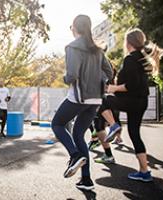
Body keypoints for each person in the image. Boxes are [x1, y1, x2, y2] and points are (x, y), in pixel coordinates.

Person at [51, 15, 113, 191]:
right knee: (78, 134)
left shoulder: (72, 47)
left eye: (71, 26)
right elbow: (109, 72)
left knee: (57, 124)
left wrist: (64, 77)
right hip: (95, 100)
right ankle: (86, 180)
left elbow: (72, 76)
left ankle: (75, 155)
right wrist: (100, 84)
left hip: (79, 97)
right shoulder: (98, 50)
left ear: (75, 28)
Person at [100, 28, 163, 182]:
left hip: (132, 100)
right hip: (141, 101)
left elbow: (130, 85)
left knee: (101, 101)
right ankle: (144, 171)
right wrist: (117, 84)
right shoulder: (142, 58)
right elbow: (134, 82)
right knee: (134, 134)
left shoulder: (130, 59)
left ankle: (114, 126)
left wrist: (113, 88)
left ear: (128, 42)